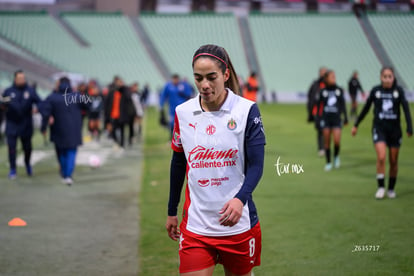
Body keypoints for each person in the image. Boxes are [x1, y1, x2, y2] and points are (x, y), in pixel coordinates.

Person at [166, 44, 265, 276]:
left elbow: (257, 165)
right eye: (198, 78)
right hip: (196, 228)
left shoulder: (247, 110)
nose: (204, 85)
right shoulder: (183, 112)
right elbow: (178, 162)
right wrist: (172, 209)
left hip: (238, 226)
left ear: (226, 74)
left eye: (211, 77)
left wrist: (240, 200)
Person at [352, 67, 412, 199]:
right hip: (379, 129)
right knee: (381, 157)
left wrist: (409, 127)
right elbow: (366, 109)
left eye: (390, 76)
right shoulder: (376, 91)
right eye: (385, 76)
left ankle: (391, 188)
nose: (388, 79)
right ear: (381, 77)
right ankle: (380, 187)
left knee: (393, 161)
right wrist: (356, 124)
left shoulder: (398, 91)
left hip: (395, 131)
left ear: (393, 77)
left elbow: (406, 110)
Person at [40, 77, 88, 186]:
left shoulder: (52, 97)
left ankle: (64, 172)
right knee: (71, 152)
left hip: (58, 130)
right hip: (74, 130)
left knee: (61, 152)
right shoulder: (77, 96)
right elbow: (89, 106)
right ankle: (68, 175)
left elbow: (45, 111)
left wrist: (43, 127)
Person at [2, 70, 41, 179]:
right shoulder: (8, 92)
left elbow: (39, 102)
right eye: (19, 78)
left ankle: (27, 164)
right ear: (15, 79)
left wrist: (39, 109)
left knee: (27, 148)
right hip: (12, 124)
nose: (22, 80)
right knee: (12, 148)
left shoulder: (30, 91)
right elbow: (3, 104)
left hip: (26, 125)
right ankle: (13, 169)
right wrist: (3, 105)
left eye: (23, 78)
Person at [316, 70, 348, 171]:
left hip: (336, 119)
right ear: (326, 79)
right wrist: (318, 118)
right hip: (326, 119)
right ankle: (328, 162)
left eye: (334, 76)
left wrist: (345, 117)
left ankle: (336, 156)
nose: (334, 78)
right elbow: (318, 106)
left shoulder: (339, 90)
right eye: (332, 77)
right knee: (327, 142)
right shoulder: (323, 91)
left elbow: (342, 105)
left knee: (337, 141)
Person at [104, 78, 135, 148]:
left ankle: (122, 144)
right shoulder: (112, 92)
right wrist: (107, 116)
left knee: (122, 130)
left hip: (121, 115)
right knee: (113, 129)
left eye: (120, 83)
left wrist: (123, 87)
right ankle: (116, 141)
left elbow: (129, 97)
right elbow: (107, 104)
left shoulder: (124, 92)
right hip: (113, 115)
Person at [307, 67, 327, 157]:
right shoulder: (315, 84)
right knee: (320, 130)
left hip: (327, 111)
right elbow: (310, 95)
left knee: (326, 130)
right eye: (322, 72)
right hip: (317, 111)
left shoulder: (328, 84)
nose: (323, 73)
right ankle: (321, 148)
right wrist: (310, 109)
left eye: (325, 72)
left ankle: (326, 148)